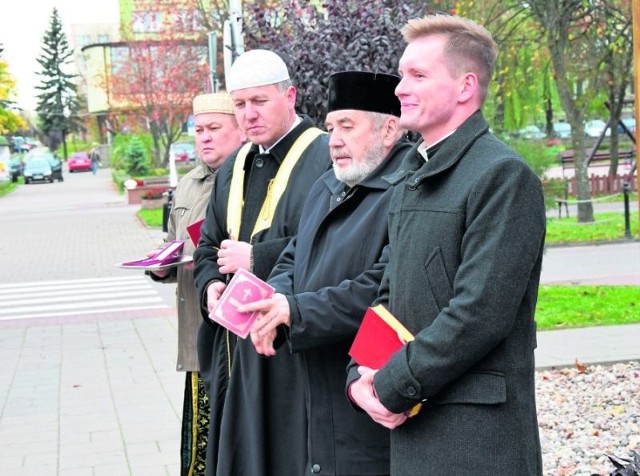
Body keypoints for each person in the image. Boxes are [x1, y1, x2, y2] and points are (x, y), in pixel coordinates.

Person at [347, 14, 546, 476]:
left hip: (474, 440)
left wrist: (392, 384)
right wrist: (360, 378)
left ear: (465, 87)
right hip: (414, 423)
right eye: (402, 74)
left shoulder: (502, 176)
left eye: (418, 75)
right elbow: (387, 296)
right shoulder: (412, 177)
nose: (399, 88)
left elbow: (479, 313)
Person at [238, 70, 412, 475]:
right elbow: (292, 258)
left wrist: (295, 312)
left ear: (389, 129)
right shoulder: (327, 185)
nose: (333, 140)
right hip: (316, 394)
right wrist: (274, 304)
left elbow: (384, 287)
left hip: (371, 391)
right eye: (331, 127)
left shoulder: (407, 190)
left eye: (347, 126)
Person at [192, 49, 331, 476]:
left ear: (289, 96)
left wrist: (258, 257)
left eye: (259, 101)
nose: (248, 114)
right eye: (240, 104)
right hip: (234, 348)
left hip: (292, 347)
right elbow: (208, 247)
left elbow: (335, 243)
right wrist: (210, 284)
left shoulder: (325, 155)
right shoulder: (235, 164)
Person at [147, 92, 245, 476]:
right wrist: (161, 265)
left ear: (239, 129)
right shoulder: (188, 184)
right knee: (199, 445)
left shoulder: (249, 178)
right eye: (199, 130)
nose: (204, 138)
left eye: (214, 128)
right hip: (196, 334)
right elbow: (174, 242)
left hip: (240, 335)